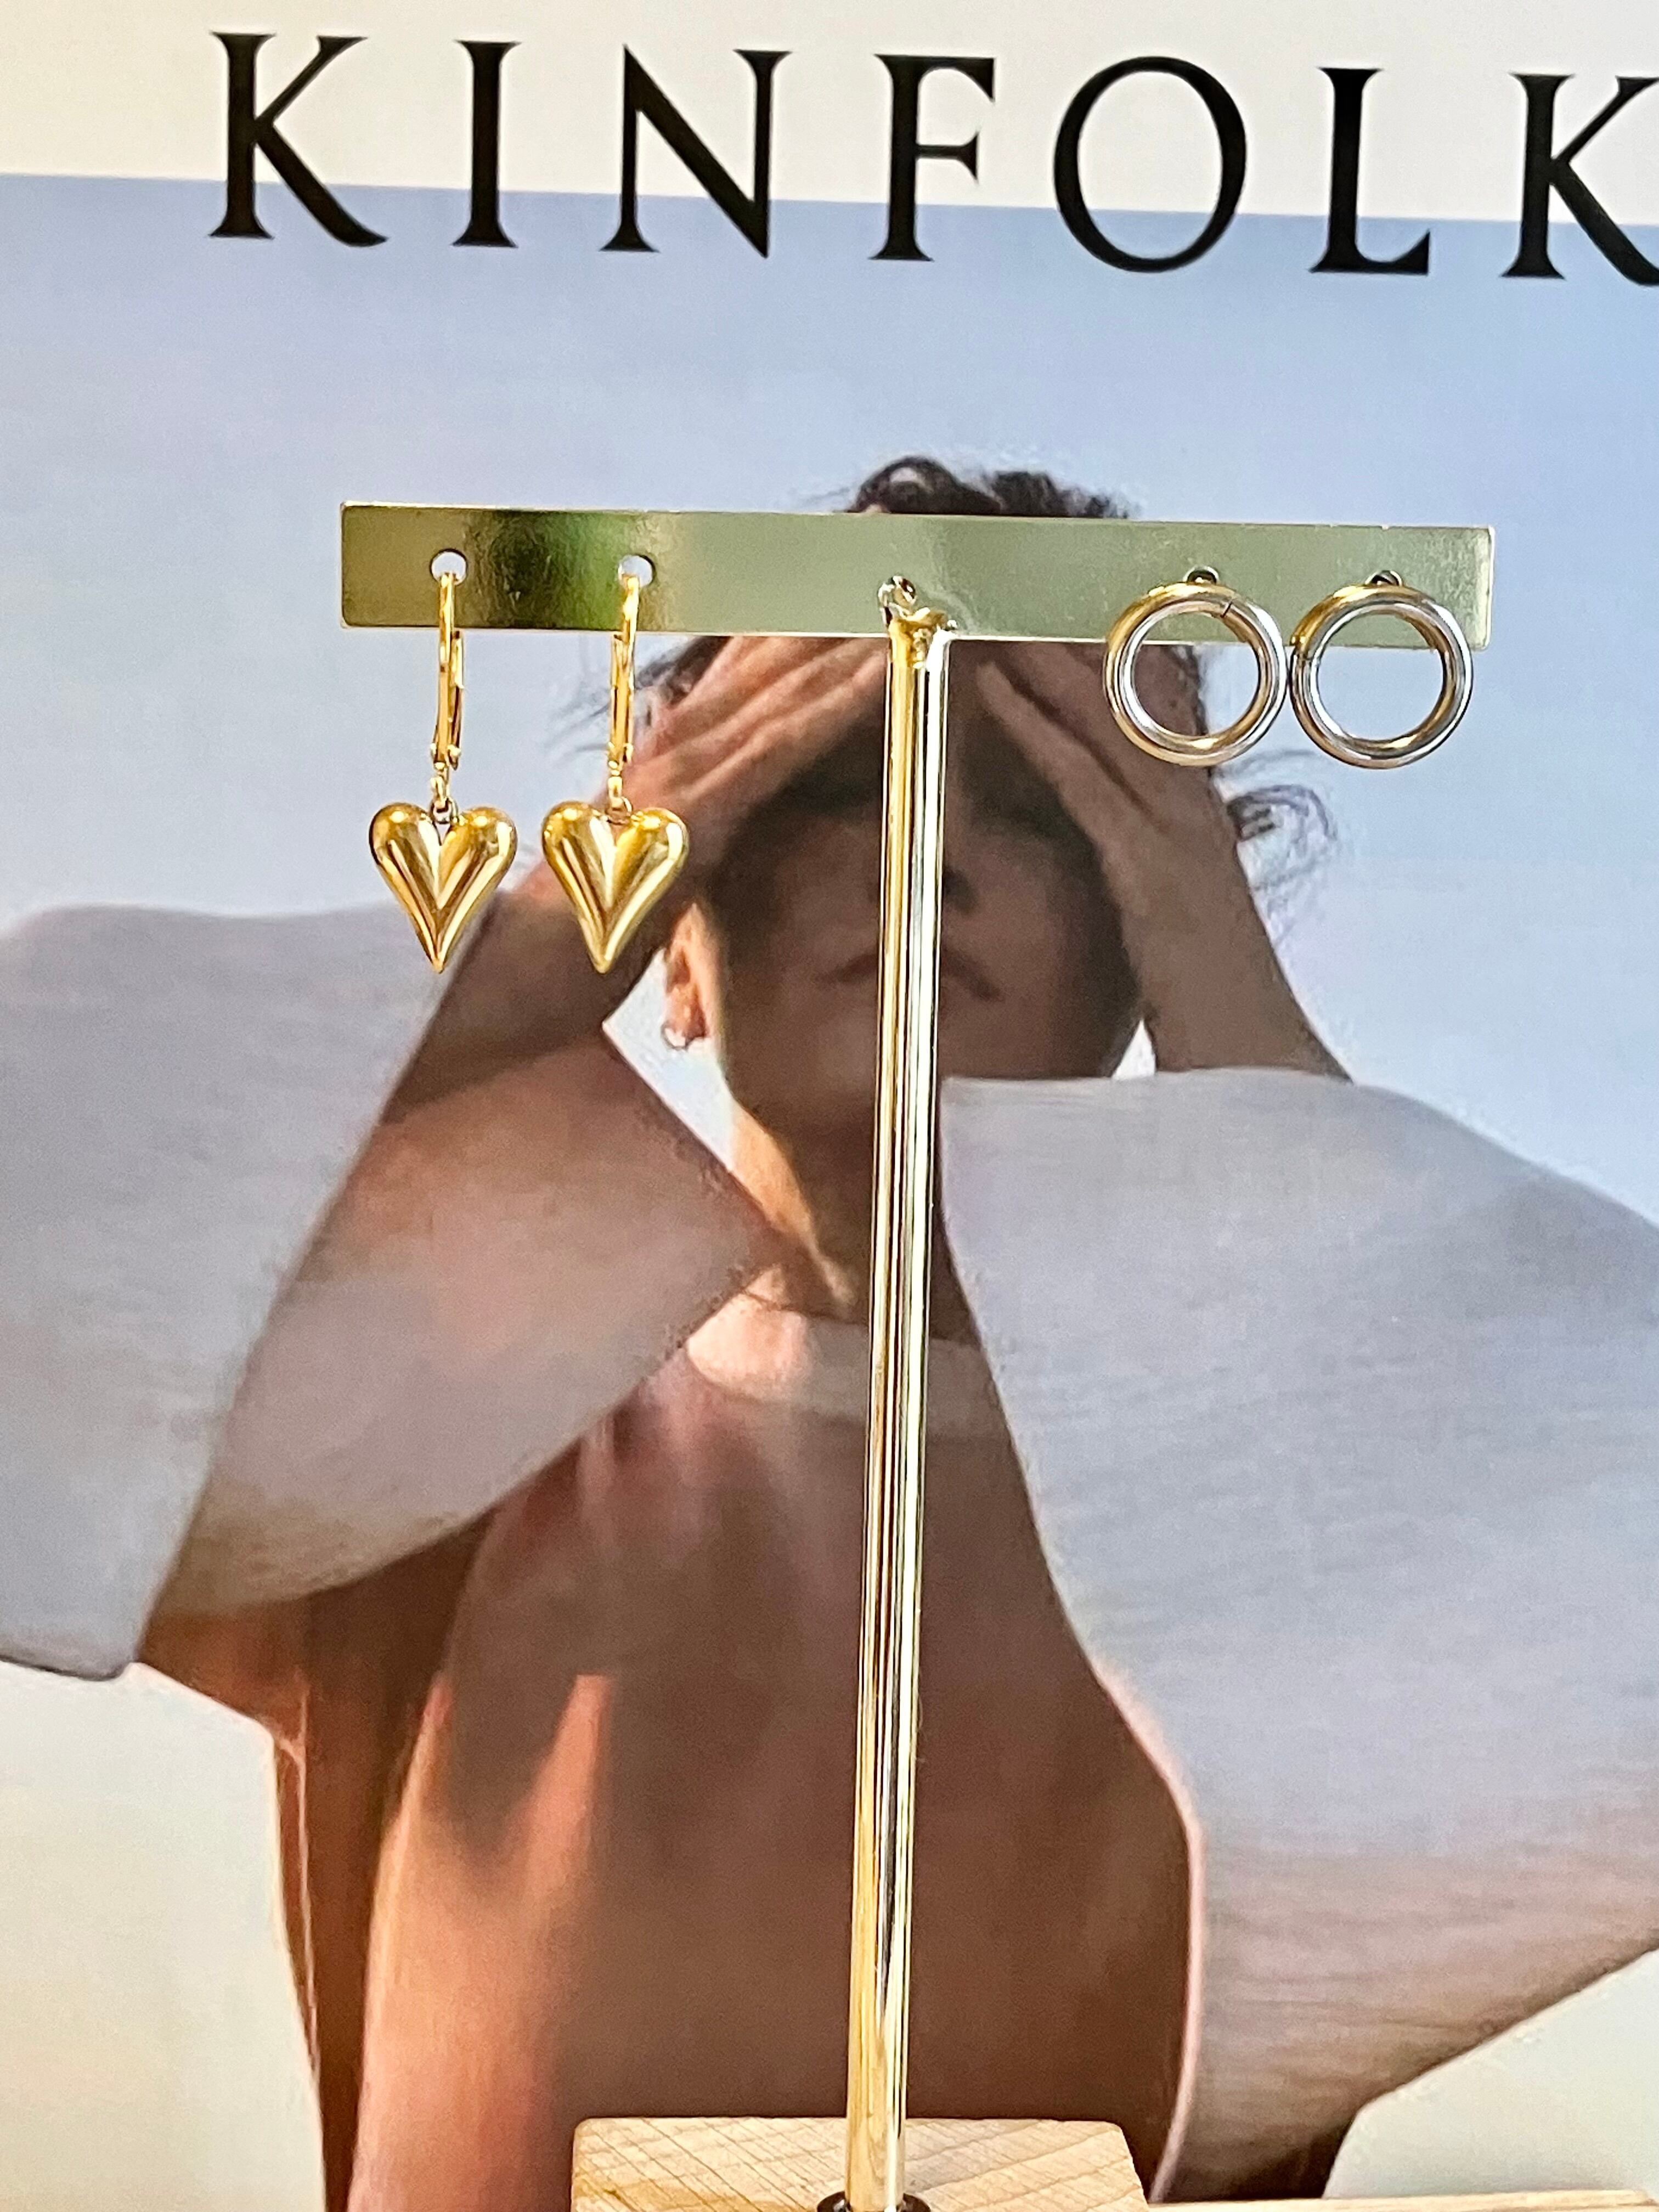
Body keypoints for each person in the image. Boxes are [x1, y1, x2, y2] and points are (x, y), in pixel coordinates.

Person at [3, 460, 1657, 2212]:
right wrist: (533, 947)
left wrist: (1258, 1089)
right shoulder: (444, 1432)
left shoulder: (1313, 1518)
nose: (922, 840)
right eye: (809, 782)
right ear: (680, 944)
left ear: (1148, 939)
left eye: (1050, 799)